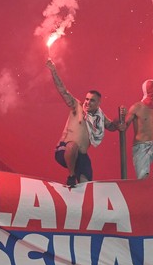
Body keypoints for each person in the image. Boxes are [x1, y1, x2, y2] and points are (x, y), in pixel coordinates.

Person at [46, 58, 121, 188]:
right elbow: (62, 90)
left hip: (81, 155)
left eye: (92, 100)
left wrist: (119, 121)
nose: (87, 102)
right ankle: (71, 176)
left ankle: (77, 199)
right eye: (86, 99)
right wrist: (53, 71)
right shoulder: (77, 106)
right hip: (65, 151)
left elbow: (112, 127)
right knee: (73, 146)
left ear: (98, 103)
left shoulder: (100, 117)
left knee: (86, 185)